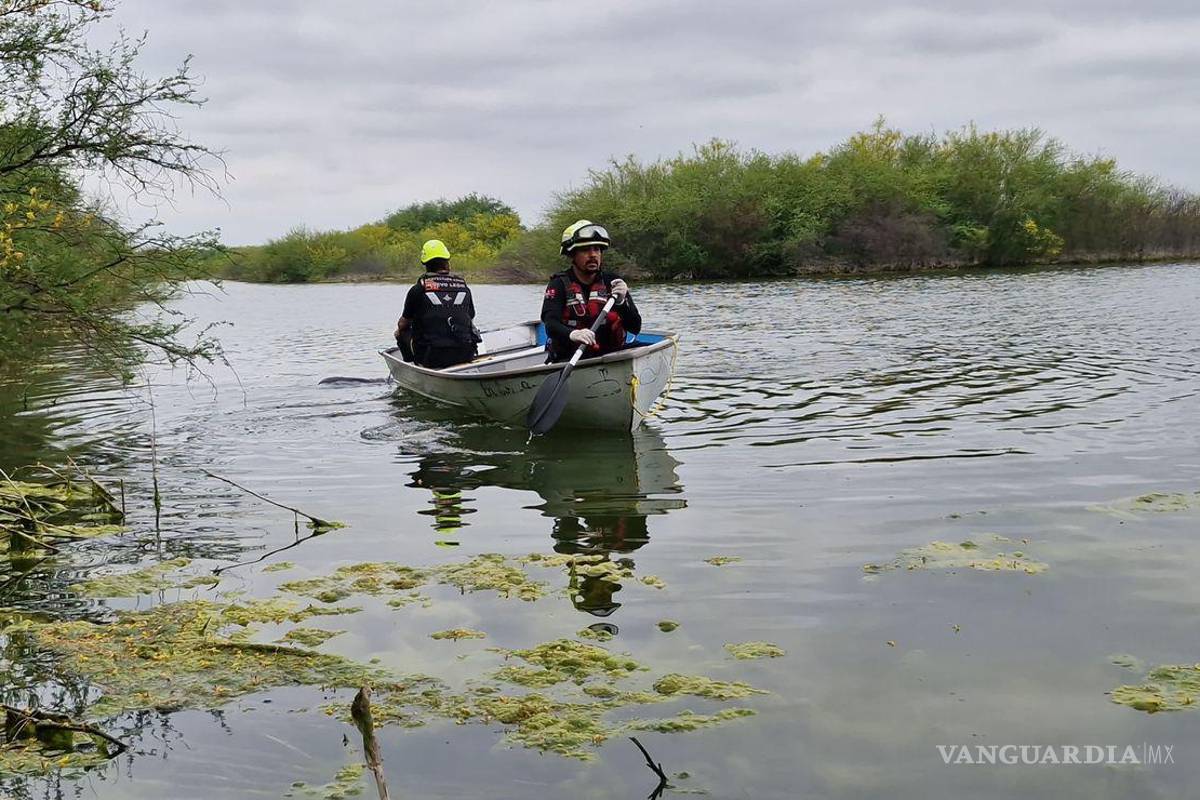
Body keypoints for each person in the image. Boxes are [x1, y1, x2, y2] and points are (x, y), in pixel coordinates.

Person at [540, 220, 641, 362]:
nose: (593, 255)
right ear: (572, 255)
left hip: (612, 357)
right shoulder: (558, 284)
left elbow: (635, 327)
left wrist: (622, 303)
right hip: (570, 359)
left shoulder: (613, 283)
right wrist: (573, 333)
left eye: (597, 249)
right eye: (585, 250)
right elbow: (551, 325)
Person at [394, 239, 480, 369]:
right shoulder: (463, 287)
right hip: (466, 353)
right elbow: (470, 316)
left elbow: (403, 324)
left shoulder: (418, 289)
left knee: (400, 332)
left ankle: (414, 368)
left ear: (426, 264)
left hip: (431, 357)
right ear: (447, 264)